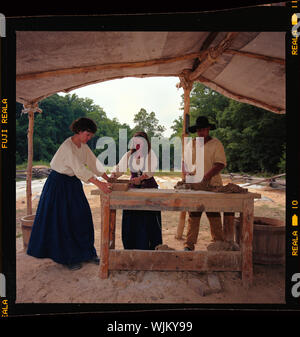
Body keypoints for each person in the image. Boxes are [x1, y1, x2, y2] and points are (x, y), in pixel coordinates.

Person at [27, 117, 112, 270]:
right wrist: (100, 184)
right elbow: (80, 169)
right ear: (79, 131)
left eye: (91, 136)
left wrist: (108, 178)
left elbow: (93, 163)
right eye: (88, 135)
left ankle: (88, 253)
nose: (89, 138)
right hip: (58, 184)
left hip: (72, 184)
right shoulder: (68, 146)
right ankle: (68, 258)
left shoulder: (83, 146)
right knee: (64, 221)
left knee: (83, 216)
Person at [110, 131, 162, 250]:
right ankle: (131, 247)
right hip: (133, 189)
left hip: (148, 188)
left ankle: (150, 248)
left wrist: (141, 178)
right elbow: (120, 168)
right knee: (132, 219)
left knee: (148, 219)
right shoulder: (129, 154)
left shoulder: (150, 154)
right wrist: (113, 175)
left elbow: (150, 170)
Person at [183, 116, 226, 251]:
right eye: (199, 130)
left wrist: (206, 176)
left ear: (208, 129)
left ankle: (218, 243)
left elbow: (220, 164)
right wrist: (187, 173)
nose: (201, 132)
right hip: (196, 184)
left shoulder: (216, 143)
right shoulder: (192, 143)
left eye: (204, 129)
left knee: (214, 214)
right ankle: (189, 244)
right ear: (196, 131)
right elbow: (186, 162)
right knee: (193, 215)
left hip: (212, 184)